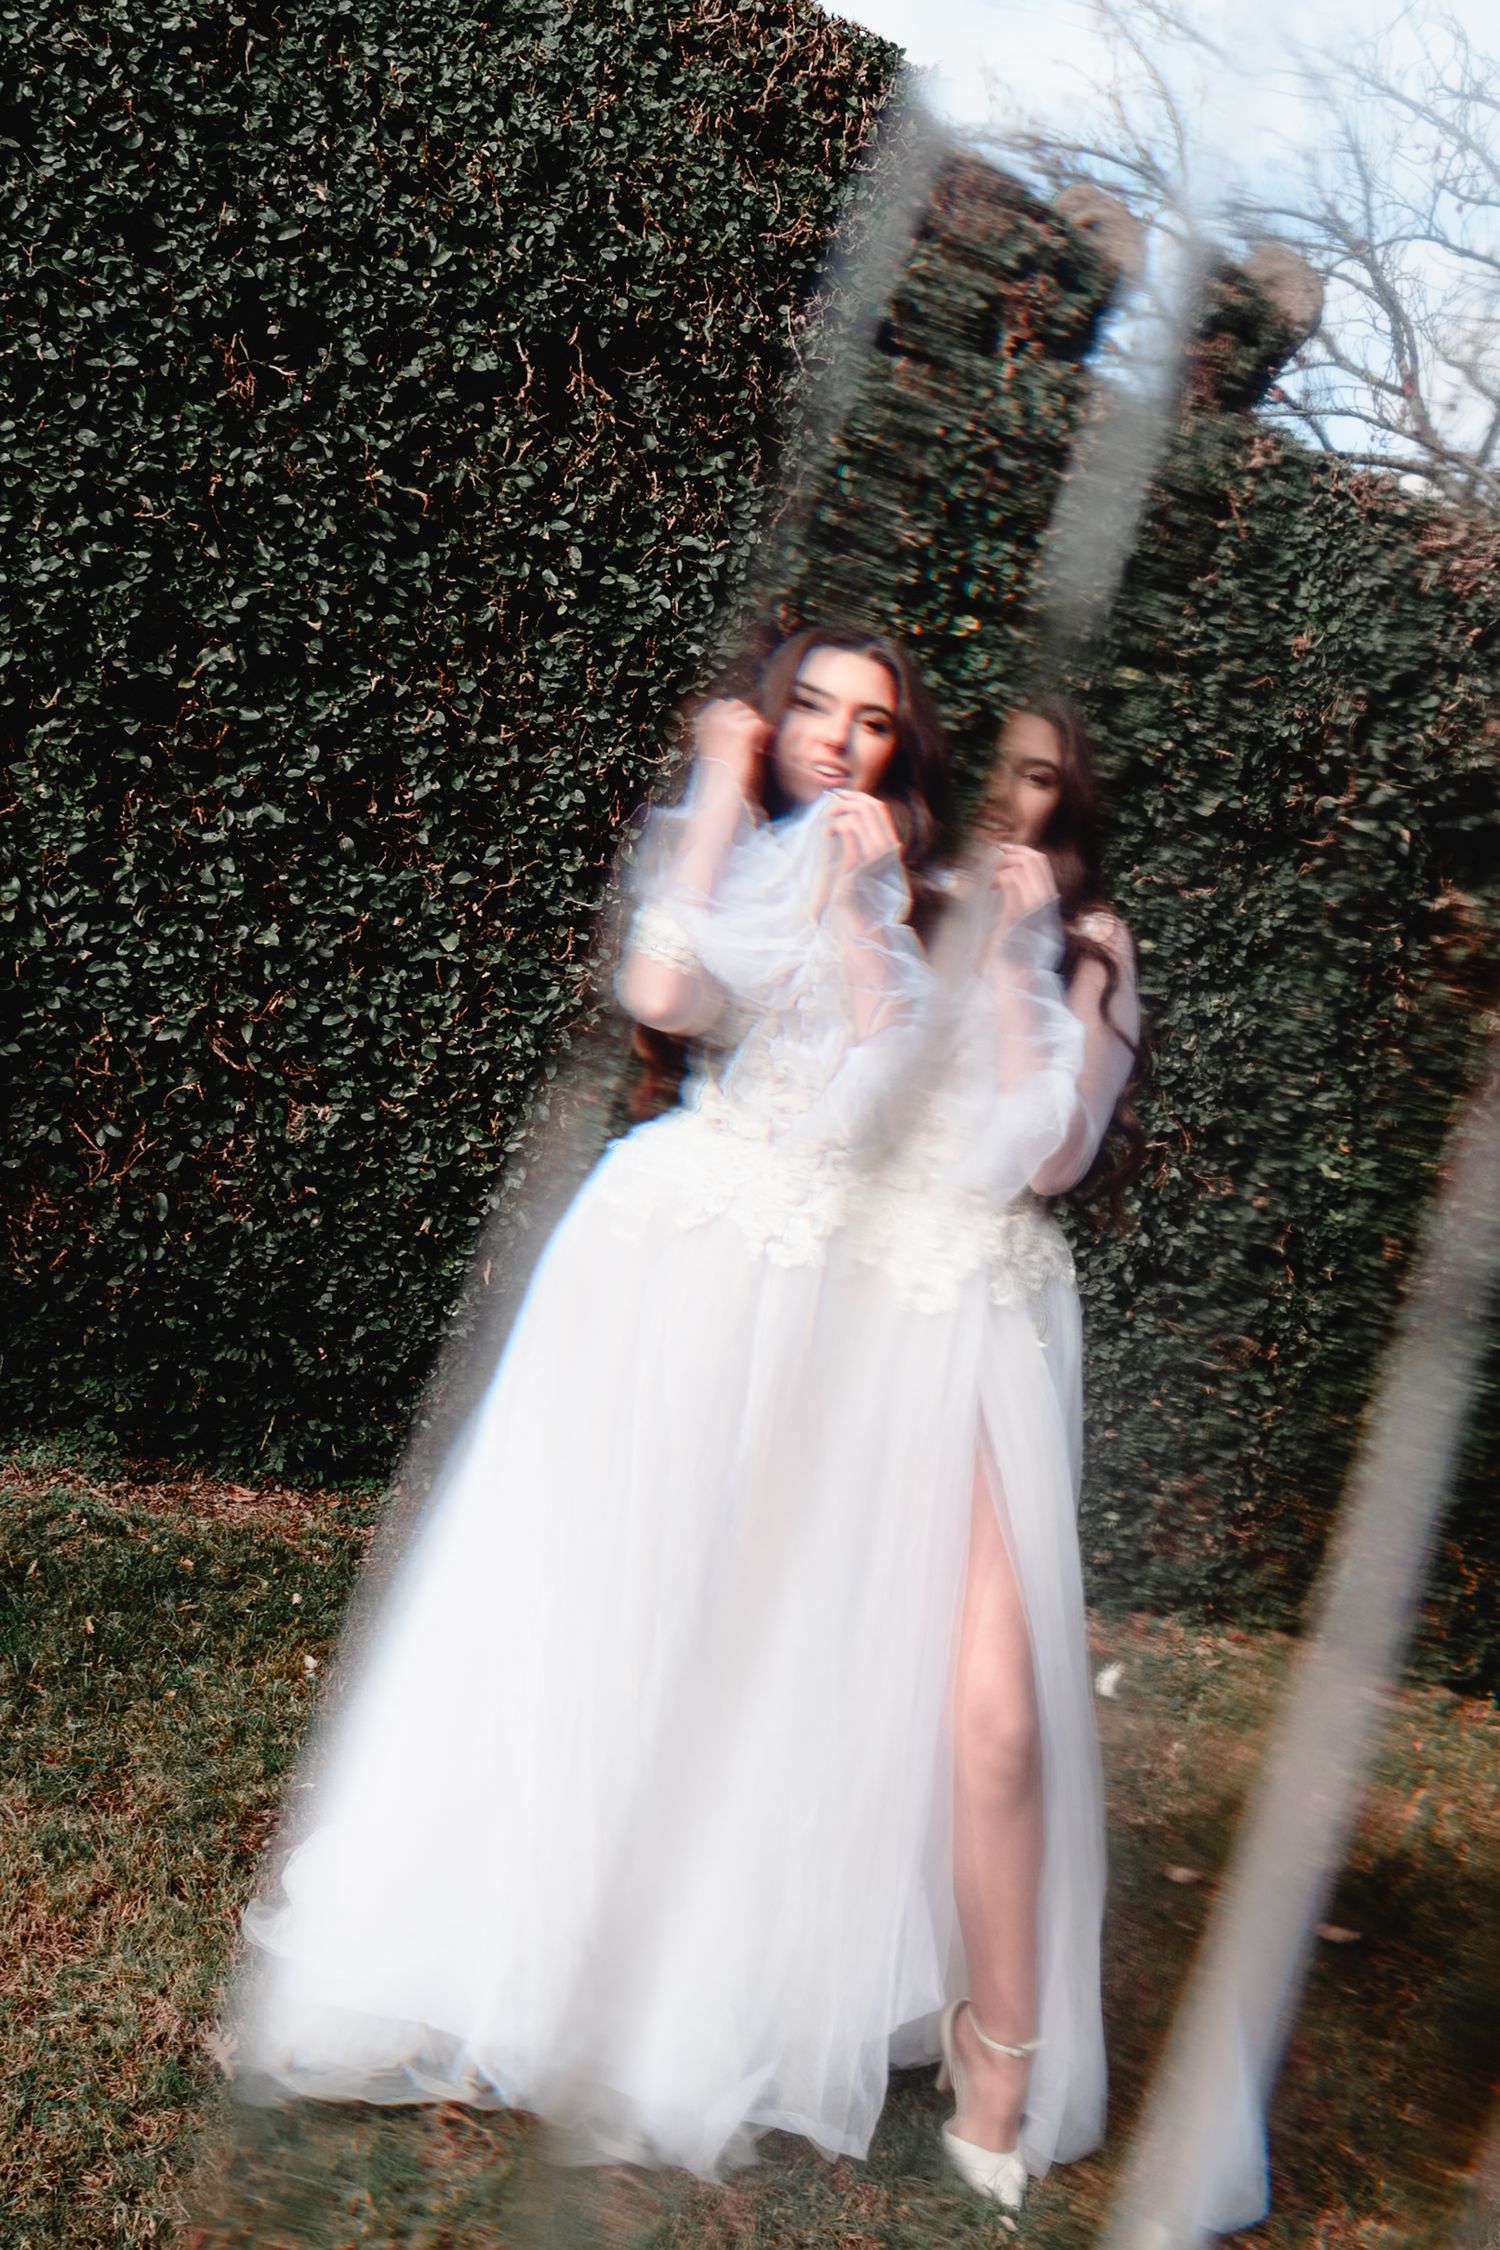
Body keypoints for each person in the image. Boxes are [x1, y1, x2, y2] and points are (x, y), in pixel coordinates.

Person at [232, 638, 1141, 2216]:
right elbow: (673, 991)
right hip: (712, 1268)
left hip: (919, 1309)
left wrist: (978, 952)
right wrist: (746, 802)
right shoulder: (842, 862)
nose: (852, 746)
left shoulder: (1042, 933)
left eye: (881, 725)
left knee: (904, 1686)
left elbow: (1016, 1148)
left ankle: (965, 2028)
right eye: (819, 710)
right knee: (634, 1615)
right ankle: (593, 1950)